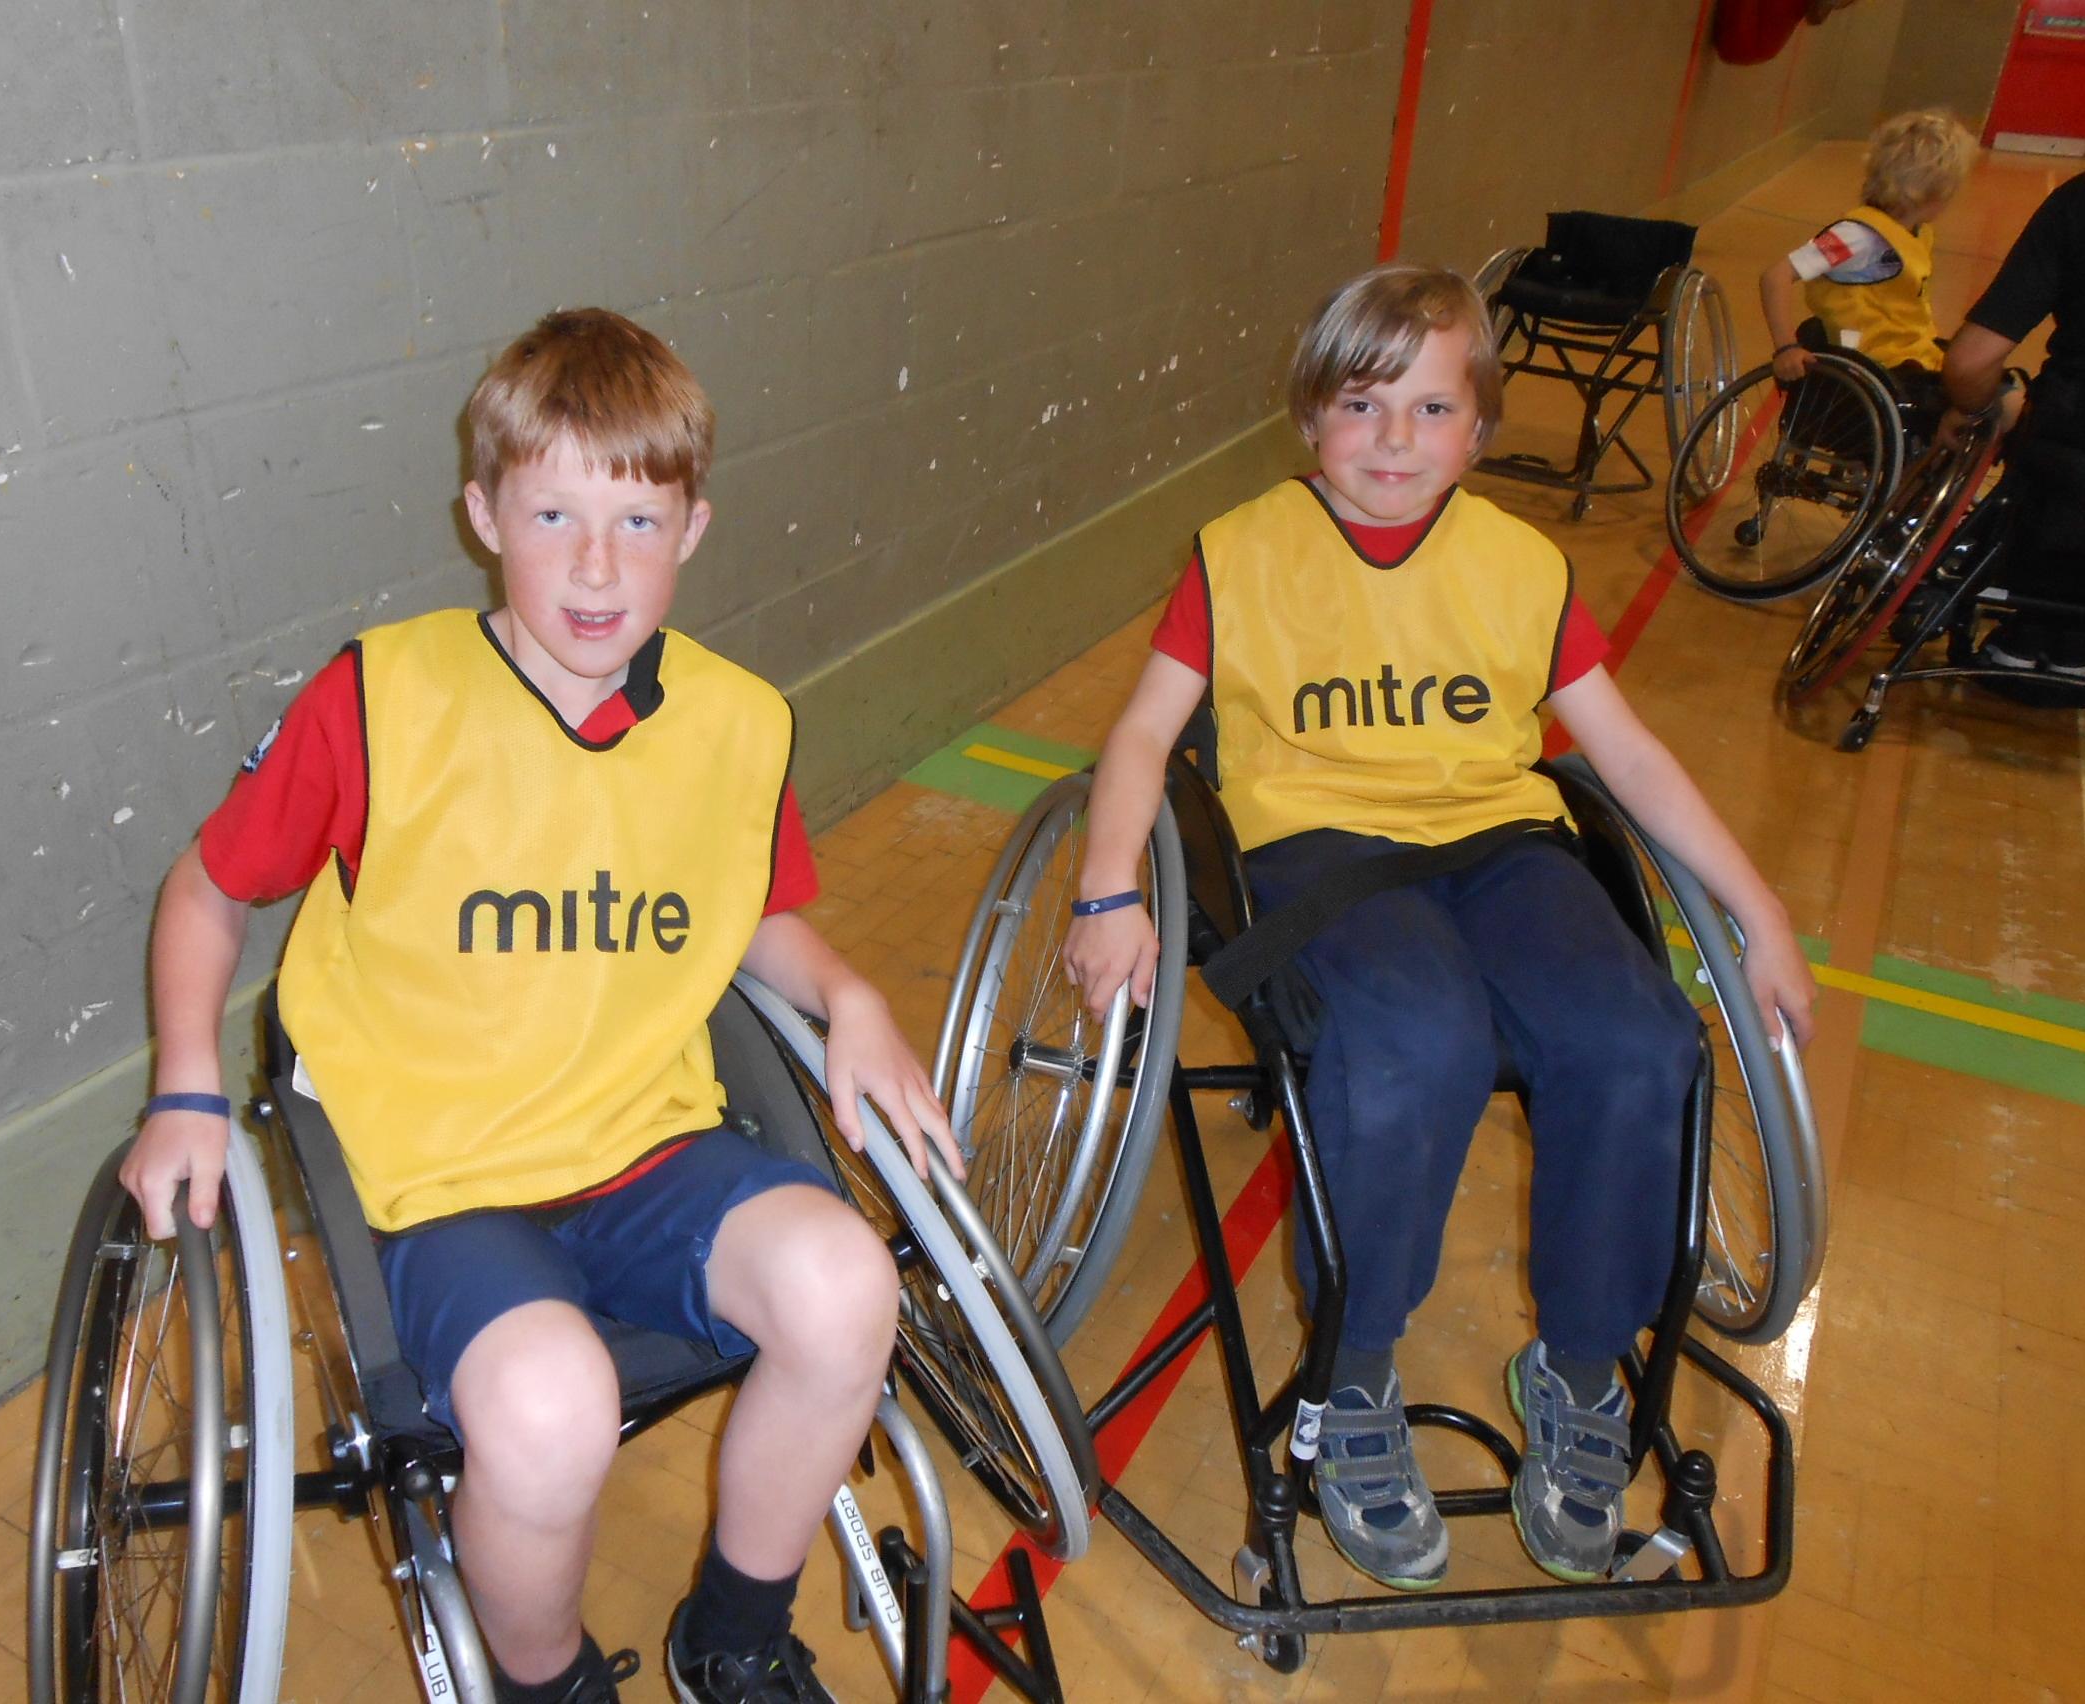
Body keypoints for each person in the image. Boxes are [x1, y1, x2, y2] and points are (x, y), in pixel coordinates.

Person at [118, 308, 961, 1704]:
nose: (595, 565)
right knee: (551, 1407)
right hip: (438, 1177)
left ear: (692, 530)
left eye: (638, 521)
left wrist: (850, 994)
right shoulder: (382, 698)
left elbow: (748, 908)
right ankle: (546, 1680)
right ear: (482, 515)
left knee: (847, 1285)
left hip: (646, 1145)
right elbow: (208, 889)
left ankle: (734, 1636)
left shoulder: (739, 721)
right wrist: (184, 1084)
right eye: (553, 514)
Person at [1062, 266, 1816, 1591]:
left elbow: (1628, 757)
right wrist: (1108, 888)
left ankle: (1579, 1365)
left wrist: (1758, 913)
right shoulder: (1241, 553)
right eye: (1361, 405)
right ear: (1310, 416)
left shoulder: (1519, 564)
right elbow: (1139, 737)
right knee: (1417, 1042)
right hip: (1321, 851)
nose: (1394, 441)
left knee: (1638, 1041)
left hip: (1496, 845)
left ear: (1479, 430)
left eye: (1430, 408)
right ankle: (1353, 1371)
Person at [1943, 162, 2085, 678]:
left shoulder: (2081, 200)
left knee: (2042, 436)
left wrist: (1973, 408)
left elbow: (1970, 362)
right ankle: (2074, 641)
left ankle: (2028, 629)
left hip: (2070, 433)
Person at [1759, 109, 1977, 428]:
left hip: (1910, 355)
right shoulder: (1857, 236)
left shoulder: (1916, 233)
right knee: (1987, 403)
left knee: (1990, 386)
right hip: (1877, 369)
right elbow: (1775, 276)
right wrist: (1786, 347)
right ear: (1934, 189)